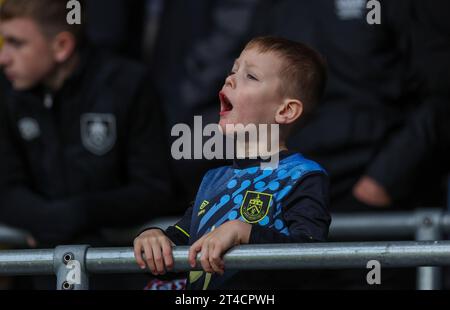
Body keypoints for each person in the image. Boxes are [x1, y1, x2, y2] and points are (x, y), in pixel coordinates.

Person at [134, 36, 331, 290]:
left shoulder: (303, 176)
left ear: (285, 111)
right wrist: (155, 239)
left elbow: (310, 257)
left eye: (251, 76)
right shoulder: (214, 178)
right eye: (233, 69)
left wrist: (244, 232)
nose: (230, 78)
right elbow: (183, 243)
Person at [0, 0, 173, 249]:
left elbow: (154, 189)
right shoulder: (7, 92)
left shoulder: (127, 84)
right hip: (36, 269)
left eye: (17, 43)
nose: (3, 58)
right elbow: (6, 188)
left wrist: (80, 213)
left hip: (117, 267)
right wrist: (50, 219)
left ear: (61, 46)